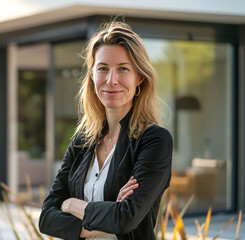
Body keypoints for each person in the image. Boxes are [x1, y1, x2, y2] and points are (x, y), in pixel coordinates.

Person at [38, 20, 173, 240]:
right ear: (92, 75)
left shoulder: (154, 140)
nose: (111, 80)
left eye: (123, 69)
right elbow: (46, 218)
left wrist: (70, 204)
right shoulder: (82, 141)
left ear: (139, 77)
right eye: (103, 68)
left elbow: (125, 219)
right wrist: (110, 214)